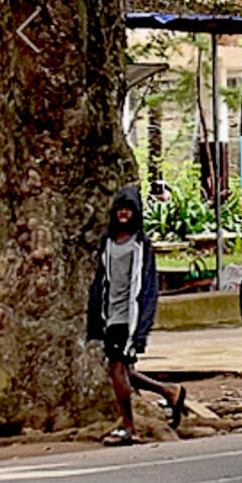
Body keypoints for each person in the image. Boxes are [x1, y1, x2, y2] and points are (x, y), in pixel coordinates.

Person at [86, 187, 185, 445]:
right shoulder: (108, 241)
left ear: (135, 213)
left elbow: (146, 286)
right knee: (120, 369)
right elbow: (101, 280)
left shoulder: (140, 244)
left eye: (128, 209)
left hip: (128, 317)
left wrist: (140, 326)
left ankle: (129, 428)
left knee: (116, 368)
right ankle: (169, 391)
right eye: (120, 209)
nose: (123, 213)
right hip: (110, 314)